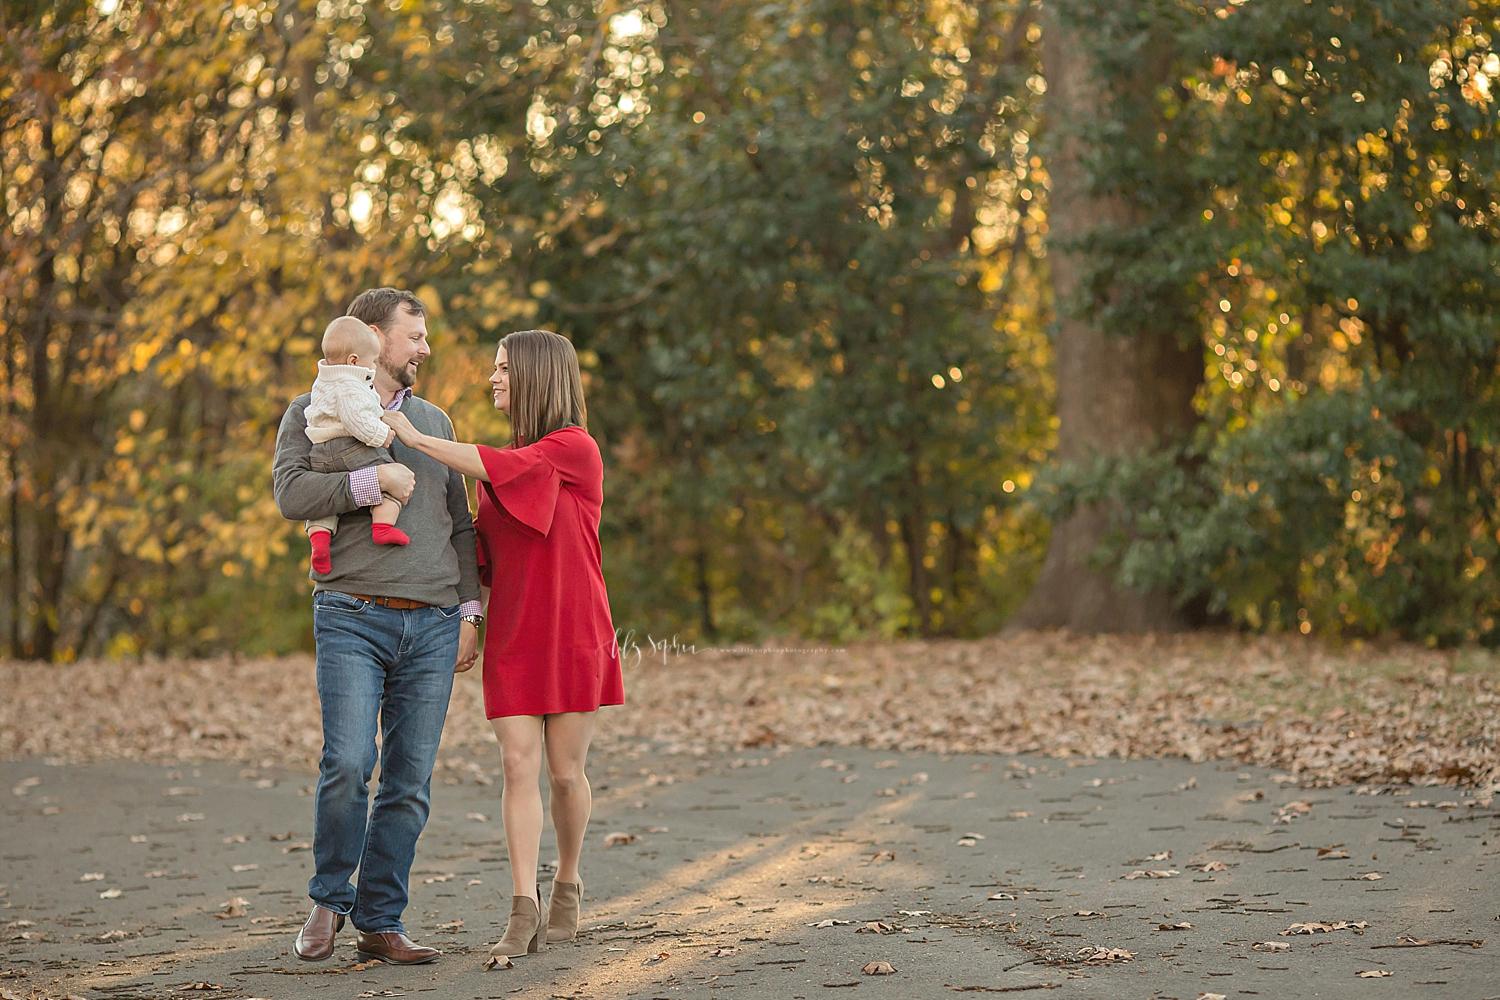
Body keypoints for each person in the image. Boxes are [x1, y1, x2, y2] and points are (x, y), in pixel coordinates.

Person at [381, 328, 624, 963]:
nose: (492, 380)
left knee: (566, 774)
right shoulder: (494, 472)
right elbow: (481, 554)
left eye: (502, 369)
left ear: (537, 377)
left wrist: (411, 436)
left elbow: (505, 466)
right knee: (518, 764)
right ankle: (524, 907)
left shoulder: (575, 449)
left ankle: (567, 880)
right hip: (515, 631)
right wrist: (468, 615)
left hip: (573, 629)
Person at [271, 288, 484, 966]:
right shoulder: (310, 411)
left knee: (409, 781)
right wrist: (368, 485)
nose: (425, 348)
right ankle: (329, 899)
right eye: (415, 336)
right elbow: (291, 493)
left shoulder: (433, 419)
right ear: (372, 337)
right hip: (350, 614)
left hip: (431, 622)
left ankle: (380, 920)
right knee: (348, 764)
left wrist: (470, 612)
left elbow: (459, 524)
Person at [302, 316, 409, 574]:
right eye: (372, 361)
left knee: (322, 504)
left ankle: (319, 540)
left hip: (320, 452)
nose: (373, 368)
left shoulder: (322, 382)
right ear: (353, 361)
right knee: (394, 480)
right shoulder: (351, 385)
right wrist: (381, 434)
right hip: (349, 447)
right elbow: (356, 421)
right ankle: (383, 526)